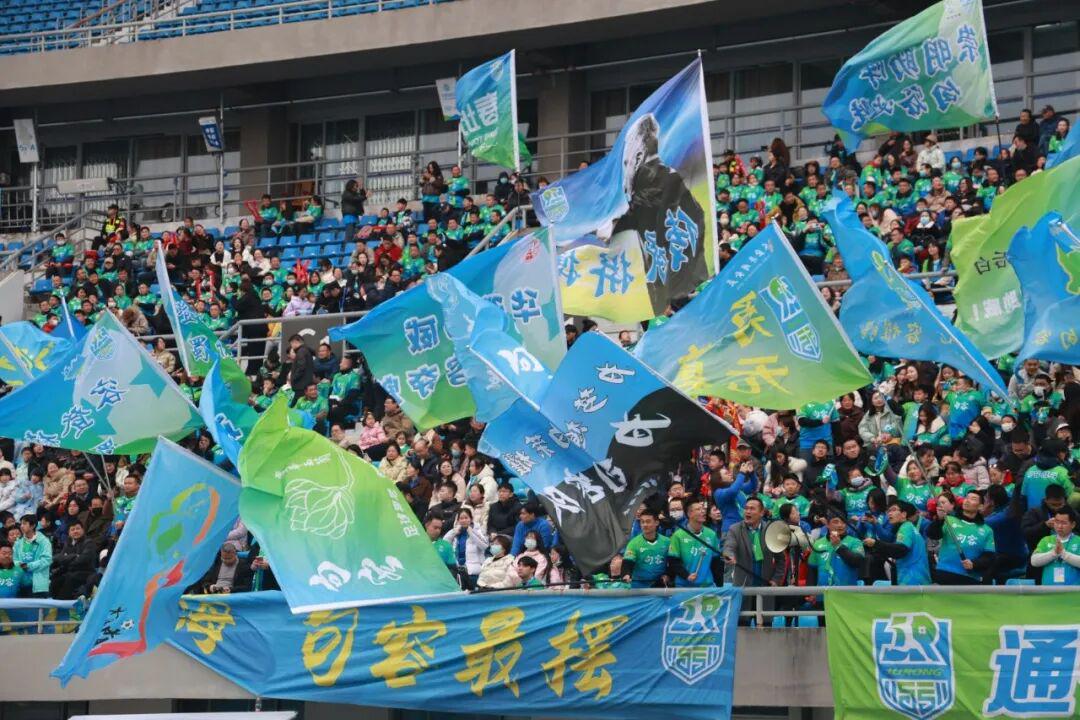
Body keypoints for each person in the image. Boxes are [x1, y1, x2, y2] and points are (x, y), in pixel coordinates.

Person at [928, 490, 996, 585]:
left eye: (973, 499)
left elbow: (989, 556)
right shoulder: (948, 520)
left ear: (980, 506)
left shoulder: (987, 530)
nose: (967, 500)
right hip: (944, 572)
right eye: (966, 497)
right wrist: (939, 520)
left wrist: (974, 564)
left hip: (969, 577)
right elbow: (933, 535)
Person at [863, 500, 930, 585]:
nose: (890, 513)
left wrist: (875, 544)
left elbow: (900, 550)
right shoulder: (909, 527)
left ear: (903, 514)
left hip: (912, 581)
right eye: (889, 511)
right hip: (918, 579)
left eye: (894, 510)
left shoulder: (906, 528)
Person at [667, 497, 721, 587]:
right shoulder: (678, 535)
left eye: (703, 509)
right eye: (698, 509)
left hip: (707, 586)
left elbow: (716, 562)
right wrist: (686, 576)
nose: (703, 511)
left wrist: (719, 585)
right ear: (689, 514)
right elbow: (673, 562)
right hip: (684, 586)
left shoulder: (711, 534)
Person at [807, 505, 865, 587]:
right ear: (827, 524)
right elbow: (812, 572)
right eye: (836, 522)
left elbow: (858, 562)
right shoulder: (817, 543)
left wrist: (838, 546)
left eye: (843, 522)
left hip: (847, 593)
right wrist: (810, 591)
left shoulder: (855, 542)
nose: (840, 525)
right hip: (822, 593)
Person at [1030, 507, 1080, 586]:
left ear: (1073, 525)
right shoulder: (1046, 540)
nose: (1059, 526)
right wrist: (1053, 553)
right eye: (1057, 522)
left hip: (1073, 591)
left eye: (1064, 523)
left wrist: (1063, 554)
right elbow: (1034, 561)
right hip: (1049, 590)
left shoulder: (1078, 541)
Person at [621, 509, 671, 588]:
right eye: (642, 522)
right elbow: (627, 562)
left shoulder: (667, 541)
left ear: (656, 522)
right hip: (639, 586)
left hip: (660, 585)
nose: (644, 525)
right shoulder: (634, 543)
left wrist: (668, 574)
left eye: (648, 521)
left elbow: (673, 562)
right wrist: (626, 574)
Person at [443, 508, 489, 590]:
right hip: (459, 569)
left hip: (473, 571)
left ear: (471, 519)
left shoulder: (478, 530)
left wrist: (472, 533)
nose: (463, 520)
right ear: (458, 520)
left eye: (466, 518)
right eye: (461, 518)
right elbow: (444, 543)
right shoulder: (457, 531)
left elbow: (485, 546)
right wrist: (454, 532)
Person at [49, 521, 97, 599]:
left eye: (78, 528)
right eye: (72, 529)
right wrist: (74, 556)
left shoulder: (89, 543)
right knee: (55, 579)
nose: (75, 531)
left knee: (69, 579)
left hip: (85, 573)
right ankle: (54, 602)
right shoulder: (68, 543)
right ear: (69, 533)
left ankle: (65, 602)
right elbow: (59, 558)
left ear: (83, 530)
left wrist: (66, 559)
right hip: (69, 572)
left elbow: (82, 560)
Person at [13, 514, 52, 598]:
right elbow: (13, 559)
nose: (21, 526)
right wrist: (19, 564)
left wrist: (28, 566)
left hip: (38, 584)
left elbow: (47, 560)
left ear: (33, 525)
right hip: (21, 582)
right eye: (21, 524)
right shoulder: (18, 542)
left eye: (24, 523)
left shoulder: (44, 541)